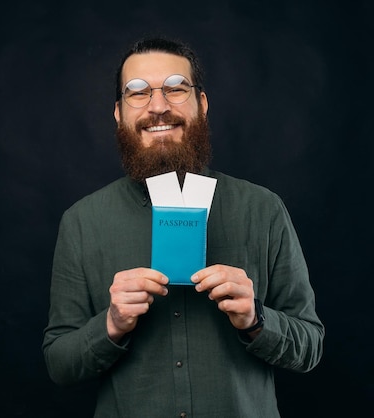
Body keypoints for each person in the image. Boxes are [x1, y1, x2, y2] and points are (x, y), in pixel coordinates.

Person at [42, 36, 324, 418]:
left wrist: (256, 319)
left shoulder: (263, 209)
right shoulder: (82, 221)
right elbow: (59, 363)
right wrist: (110, 325)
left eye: (176, 88)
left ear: (202, 105)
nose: (158, 106)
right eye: (137, 93)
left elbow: (310, 346)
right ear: (118, 113)